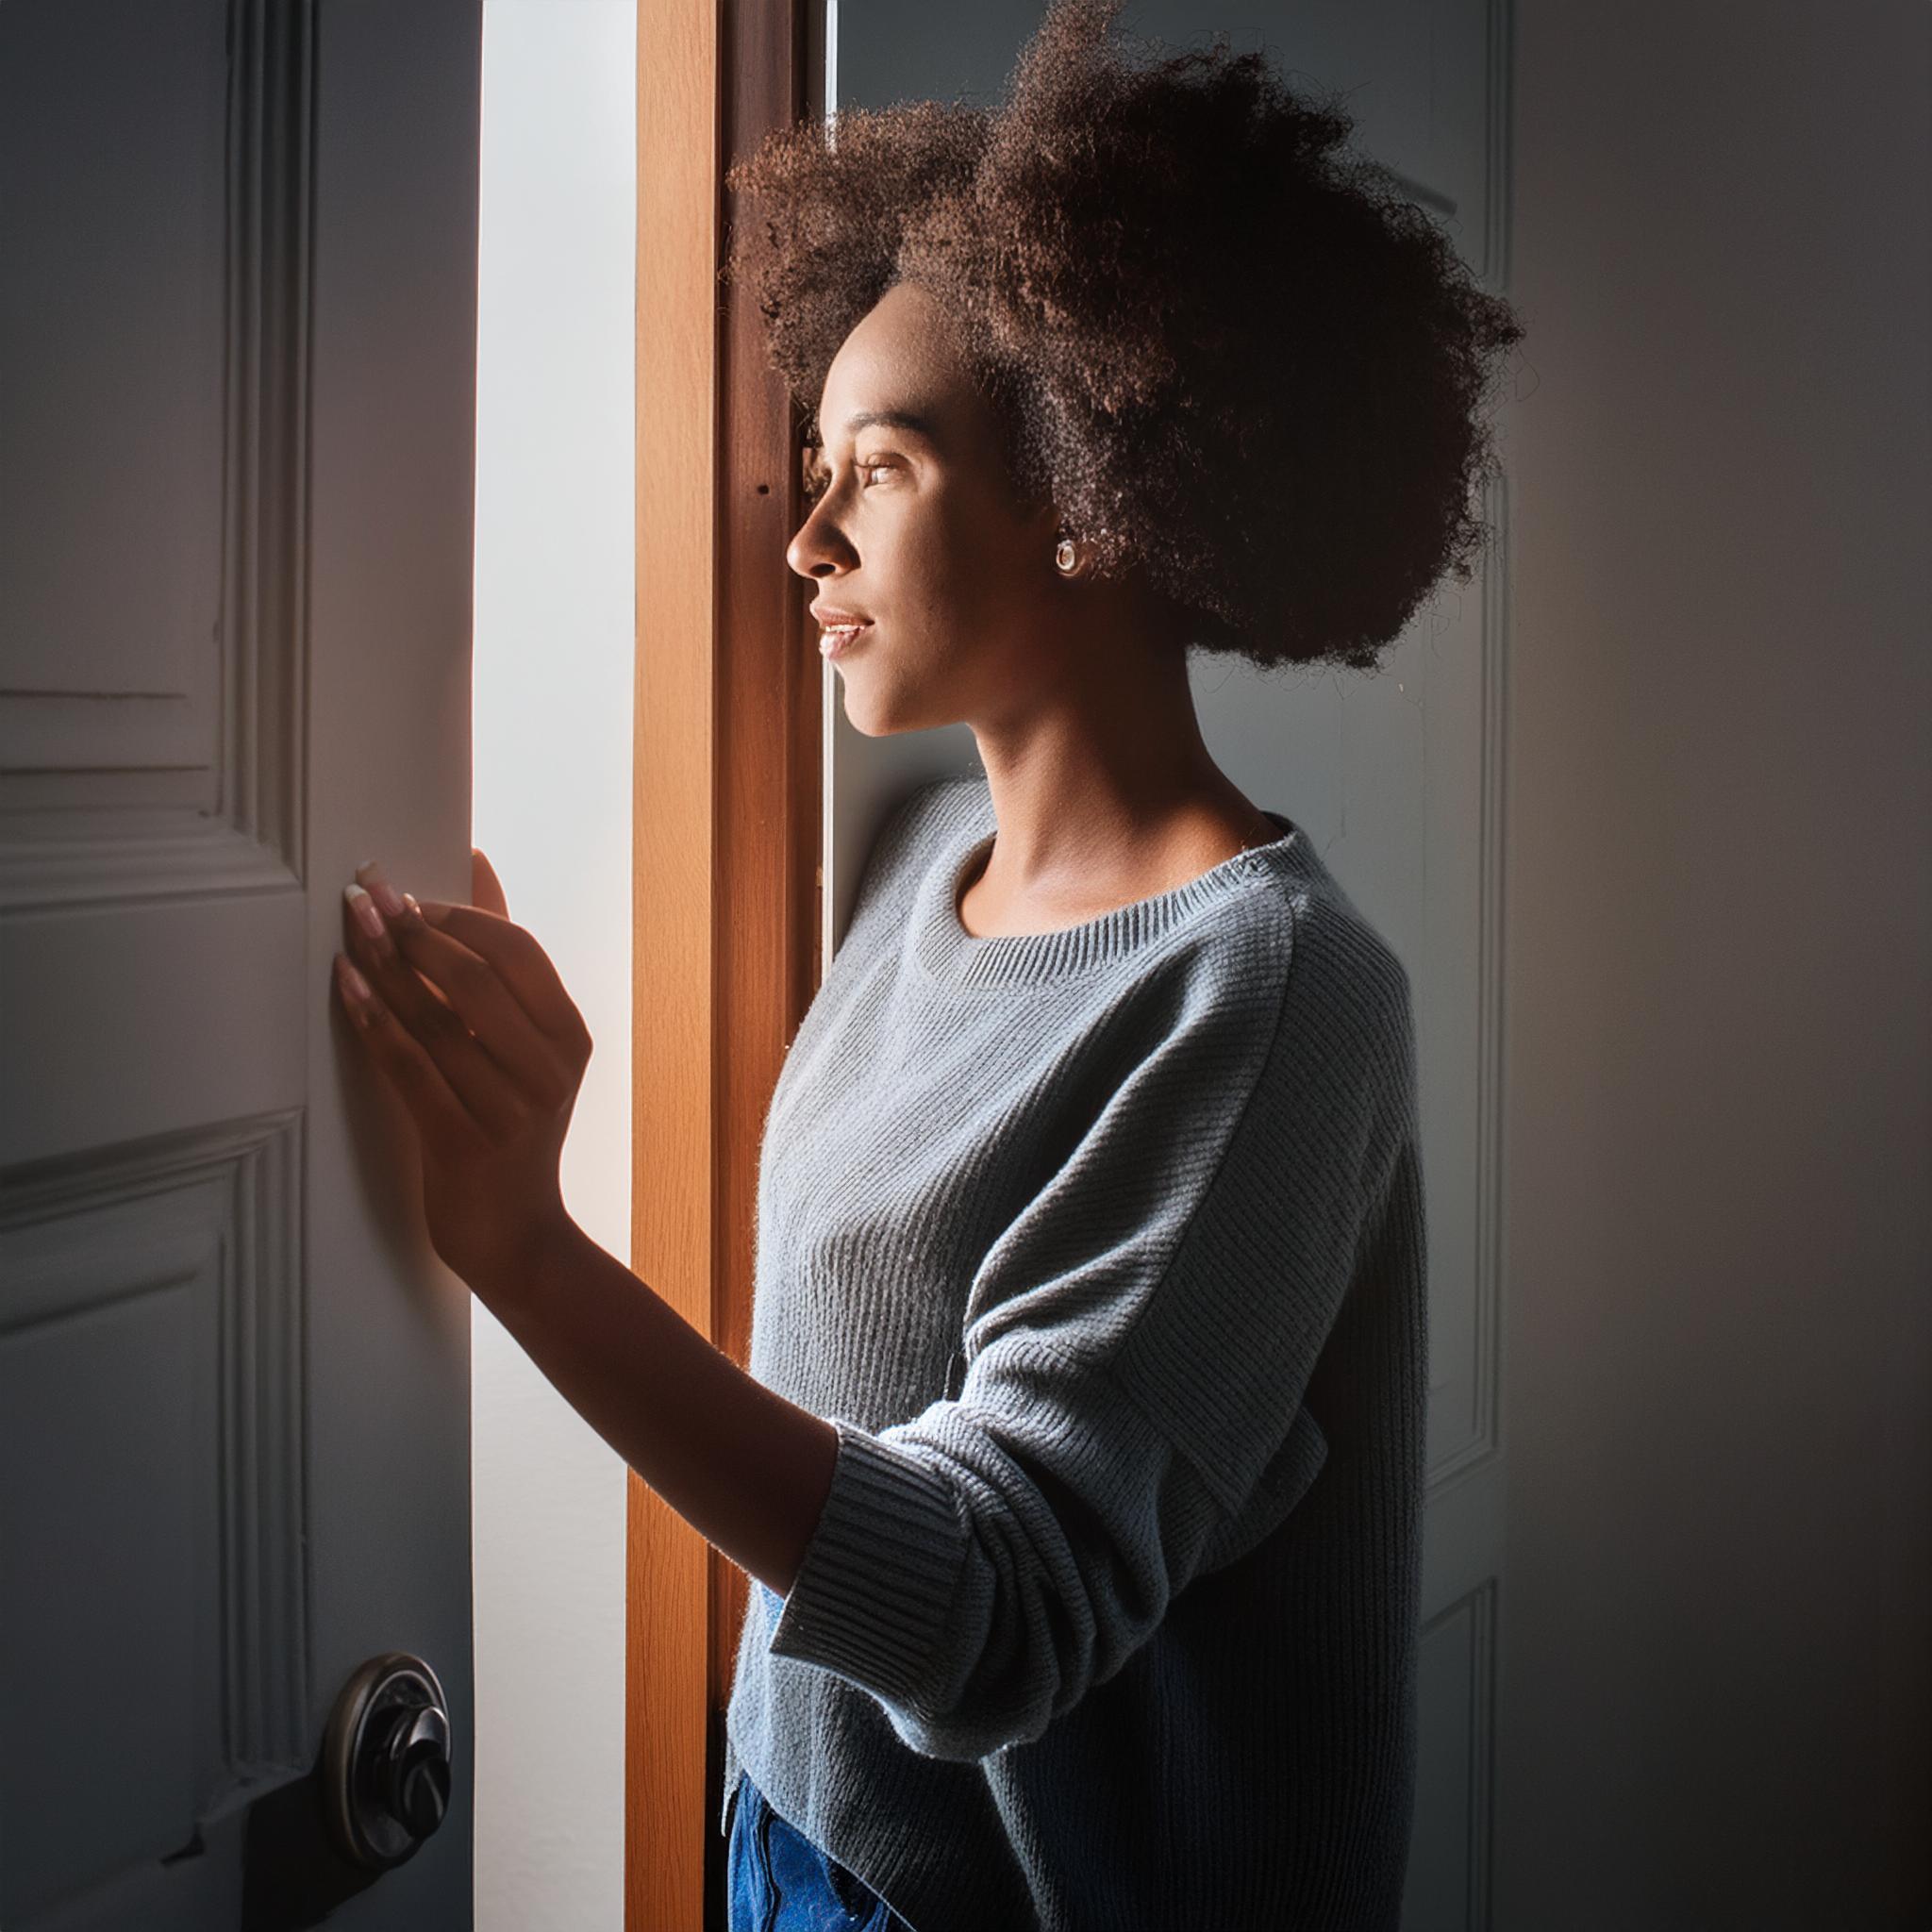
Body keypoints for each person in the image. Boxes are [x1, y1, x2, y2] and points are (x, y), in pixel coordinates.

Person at [331, 2, 1524, 1925]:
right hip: (774, 1841)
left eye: (871, 470)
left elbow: (990, 1609)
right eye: (808, 467)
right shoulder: (913, 866)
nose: (801, 536)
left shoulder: (1276, 999)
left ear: (1079, 494)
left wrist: (526, 1253)